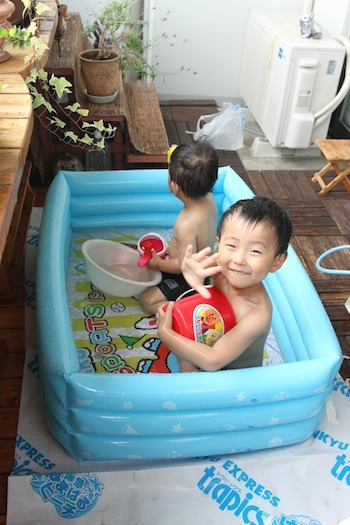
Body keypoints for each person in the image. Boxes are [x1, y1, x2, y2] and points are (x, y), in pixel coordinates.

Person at [156, 196, 292, 372]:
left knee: (187, 373)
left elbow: (213, 360)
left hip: (232, 373)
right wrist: (189, 270)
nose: (239, 259)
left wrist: (166, 333)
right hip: (212, 336)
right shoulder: (222, 267)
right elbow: (194, 267)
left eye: (255, 251)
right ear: (219, 244)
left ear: (276, 262)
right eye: (232, 246)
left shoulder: (257, 313)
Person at [138, 141, 219, 314]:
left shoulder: (186, 224)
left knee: (146, 300)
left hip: (188, 279)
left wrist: (159, 263)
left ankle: (185, 309)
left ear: (174, 186)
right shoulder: (209, 198)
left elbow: (184, 266)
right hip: (199, 266)